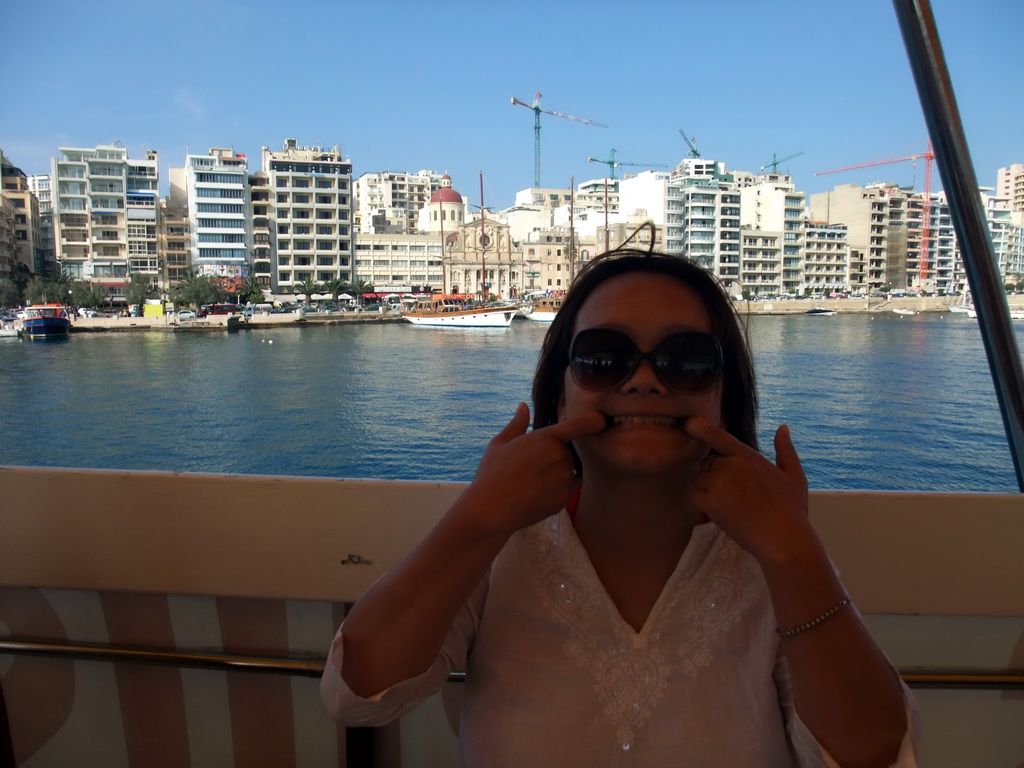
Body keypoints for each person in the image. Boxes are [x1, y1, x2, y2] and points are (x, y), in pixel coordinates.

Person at [321, 248, 919, 767]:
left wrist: (794, 554)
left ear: (723, 396)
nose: (644, 381)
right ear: (560, 392)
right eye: (605, 355)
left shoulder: (777, 559)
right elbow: (356, 696)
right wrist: (478, 516)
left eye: (685, 359)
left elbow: (872, 755)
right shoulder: (501, 545)